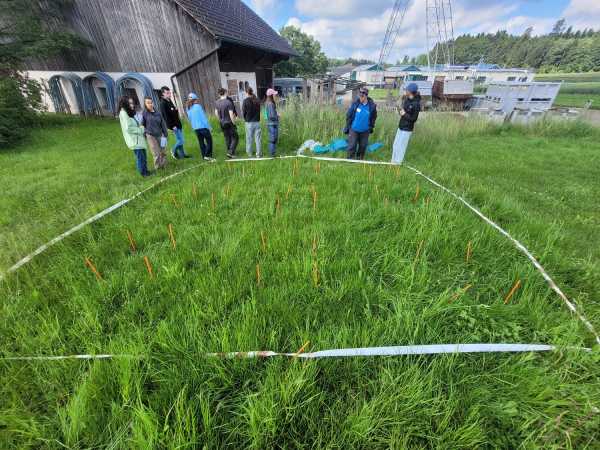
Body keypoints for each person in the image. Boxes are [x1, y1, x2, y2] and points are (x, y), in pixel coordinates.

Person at [118, 96, 150, 177]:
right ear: (125, 104)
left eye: (132, 103)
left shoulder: (126, 112)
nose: (132, 105)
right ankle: (144, 173)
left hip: (137, 139)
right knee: (141, 158)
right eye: (130, 103)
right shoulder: (123, 113)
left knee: (143, 156)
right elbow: (129, 128)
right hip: (135, 140)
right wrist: (141, 129)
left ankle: (145, 171)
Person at [392, 83, 421, 165]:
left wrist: (404, 114)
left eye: (407, 90)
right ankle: (392, 162)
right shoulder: (407, 100)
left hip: (407, 129)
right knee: (395, 145)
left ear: (411, 91)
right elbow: (403, 112)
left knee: (401, 147)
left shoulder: (416, 104)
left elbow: (413, 119)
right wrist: (399, 110)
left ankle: (397, 164)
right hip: (401, 126)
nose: (405, 91)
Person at [345, 87, 377, 160]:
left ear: (366, 96)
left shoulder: (372, 106)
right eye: (359, 96)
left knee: (363, 146)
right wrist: (349, 126)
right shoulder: (355, 104)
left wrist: (371, 127)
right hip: (354, 129)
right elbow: (349, 115)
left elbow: (374, 117)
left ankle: (359, 159)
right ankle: (350, 159)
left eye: (362, 96)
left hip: (365, 130)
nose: (360, 98)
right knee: (352, 145)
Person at [159, 86, 189, 159]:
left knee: (180, 140)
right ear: (163, 94)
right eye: (167, 93)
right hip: (173, 125)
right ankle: (173, 150)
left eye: (169, 93)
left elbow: (173, 111)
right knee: (181, 140)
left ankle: (182, 155)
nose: (169, 94)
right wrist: (172, 126)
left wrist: (175, 110)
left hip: (178, 123)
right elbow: (166, 117)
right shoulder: (163, 103)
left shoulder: (169, 100)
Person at [186, 93, 215, 162]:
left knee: (201, 142)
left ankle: (204, 156)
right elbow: (203, 118)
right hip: (203, 127)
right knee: (209, 141)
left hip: (196, 129)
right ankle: (208, 156)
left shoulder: (188, 108)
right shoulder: (198, 106)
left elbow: (190, 119)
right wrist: (209, 127)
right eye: (197, 100)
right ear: (195, 100)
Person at [142, 96, 168, 170]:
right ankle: (158, 167)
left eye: (151, 102)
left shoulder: (158, 113)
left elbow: (162, 123)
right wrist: (144, 134)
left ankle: (164, 165)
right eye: (148, 103)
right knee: (156, 152)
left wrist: (165, 134)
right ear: (145, 104)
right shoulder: (144, 113)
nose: (150, 104)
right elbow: (142, 124)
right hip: (150, 136)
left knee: (163, 150)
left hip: (161, 135)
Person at [215, 87, 238, 159]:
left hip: (222, 123)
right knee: (235, 137)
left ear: (219, 94)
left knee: (227, 137)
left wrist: (220, 120)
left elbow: (216, 113)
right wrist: (234, 123)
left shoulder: (217, 102)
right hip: (229, 122)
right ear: (225, 93)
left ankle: (230, 152)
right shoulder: (228, 102)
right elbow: (231, 114)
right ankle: (230, 152)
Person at [242, 87, 262, 158]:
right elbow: (259, 110)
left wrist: (245, 119)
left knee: (249, 138)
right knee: (258, 139)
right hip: (257, 122)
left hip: (249, 122)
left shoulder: (245, 101)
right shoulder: (257, 100)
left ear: (247, 93)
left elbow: (243, 112)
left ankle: (250, 154)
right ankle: (259, 154)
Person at [264, 88, 280, 157]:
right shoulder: (270, 104)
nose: (275, 95)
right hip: (272, 124)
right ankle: (272, 154)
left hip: (271, 123)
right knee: (273, 139)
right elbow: (271, 116)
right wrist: (277, 116)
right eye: (274, 94)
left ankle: (272, 153)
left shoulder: (268, 103)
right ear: (271, 95)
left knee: (273, 139)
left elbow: (266, 115)